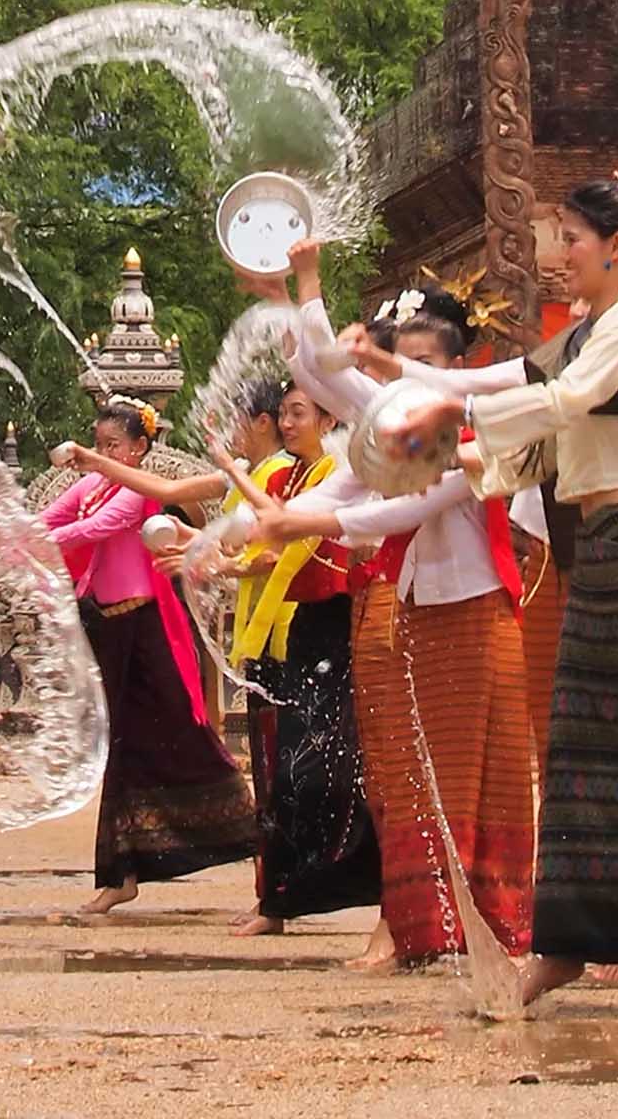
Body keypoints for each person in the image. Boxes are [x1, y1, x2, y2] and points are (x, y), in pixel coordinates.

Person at [387, 167, 618, 1016]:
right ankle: (571, 944)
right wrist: (444, 438)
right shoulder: (586, 328)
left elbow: (562, 400)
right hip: (603, 555)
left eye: (571, 240)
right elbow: (532, 428)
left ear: (617, 248)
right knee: (581, 756)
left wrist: (456, 419)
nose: (559, 256)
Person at [252, 254, 536, 968]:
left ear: (452, 369)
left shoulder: (475, 435)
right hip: (415, 609)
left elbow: (413, 502)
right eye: (391, 363)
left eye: (415, 365)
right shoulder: (393, 434)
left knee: (475, 777)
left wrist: (300, 525)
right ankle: (423, 927)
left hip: (475, 614)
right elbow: (330, 383)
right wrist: (295, 297)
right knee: (406, 774)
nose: (394, 377)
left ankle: (494, 928)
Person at [40, 399, 256, 916]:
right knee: (121, 747)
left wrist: (32, 540)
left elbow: (94, 531)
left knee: (186, 736)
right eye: (99, 444)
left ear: (139, 449)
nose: (103, 453)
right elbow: (56, 515)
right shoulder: (91, 487)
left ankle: (255, 837)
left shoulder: (136, 494)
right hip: (111, 628)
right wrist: (28, 531)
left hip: (150, 629)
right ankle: (120, 873)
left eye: (114, 445)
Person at [218, 384, 381, 938]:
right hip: (298, 628)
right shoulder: (285, 473)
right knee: (280, 767)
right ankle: (278, 900)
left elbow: (290, 535)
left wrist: (229, 472)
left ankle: (356, 890)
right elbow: (260, 532)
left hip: (337, 620)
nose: (287, 424)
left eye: (298, 413)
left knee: (320, 768)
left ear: (330, 416)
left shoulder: (340, 467)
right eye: (283, 414)